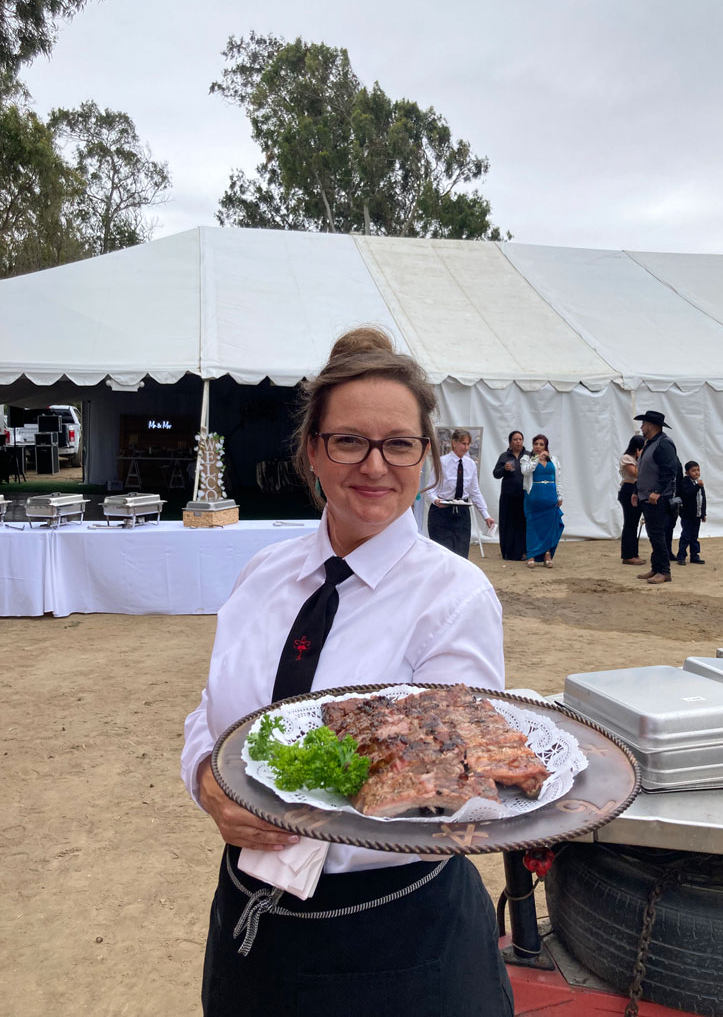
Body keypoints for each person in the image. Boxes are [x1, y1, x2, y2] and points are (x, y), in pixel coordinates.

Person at [181, 328, 513, 1017]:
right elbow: (214, 708)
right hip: (249, 922)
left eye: (399, 442)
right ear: (312, 450)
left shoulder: (453, 596)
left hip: (394, 937)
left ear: (424, 455)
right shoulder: (263, 575)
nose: (375, 464)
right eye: (348, 440)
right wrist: (207, 779)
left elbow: (460, 784)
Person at [428, 428, 495, 558]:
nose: (466, 447)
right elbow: (430, 489)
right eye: (463, 443)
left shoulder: (470, 464)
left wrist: (486, 515)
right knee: (443, 552)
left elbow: (475, 492)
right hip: (441, 511)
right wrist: (435, 500)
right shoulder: (442, 462)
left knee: (461, 552)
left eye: (468, 444)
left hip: (462, 512)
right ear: (454, 443)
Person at [632, 411, 679, 585]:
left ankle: (664, 571)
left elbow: (669, 471)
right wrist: (637, 491)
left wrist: (657, 491)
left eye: (643, 424)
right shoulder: (650, 443)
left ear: (651, 425)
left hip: (658, 498)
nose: (642, 427)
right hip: (647, 496)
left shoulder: (663, 444)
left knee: (658, 534)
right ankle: (656, 567)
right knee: (653, 534)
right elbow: (644, 471)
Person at [521, 434, 563, 569]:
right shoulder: (526, 458)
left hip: (550, 496)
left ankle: (547, 554)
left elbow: (558, 479)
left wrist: (560, 495)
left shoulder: (554, 460)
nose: (538, 447)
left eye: (541, 444)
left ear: (546, 446)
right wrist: (536, 460)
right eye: (536, 444)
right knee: (532, 526)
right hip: (534, 497)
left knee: (549, 527)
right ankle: (531, 555)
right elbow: (525, 472)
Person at [492, 430, 528, 560]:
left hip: (524, 495)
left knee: (522, 523)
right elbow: (495, 474)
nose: (518, 442)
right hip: (508, 495)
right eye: (515, 439)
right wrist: (504, 469)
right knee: (507, 523)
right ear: (510, 442)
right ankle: (507, 552)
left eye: (520, 439)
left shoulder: (528, 456)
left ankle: (523, 551)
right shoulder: (504, 456)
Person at [618, 435, 645, 565]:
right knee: (629, 523)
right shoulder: (627, 458)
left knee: (634, 523)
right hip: (628, 490)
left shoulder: (637, 459)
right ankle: (628, 555)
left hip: (638, 490)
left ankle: (634, 553)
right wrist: (640, 459)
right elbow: (637, 474)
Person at [676, 461, 707, 566]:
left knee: (694, 536)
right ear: (687, 473)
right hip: (687, 515)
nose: (696, 473)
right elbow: (687, 495)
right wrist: (697, 486)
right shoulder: (685, 482)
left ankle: (694, 555)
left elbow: (703, 499)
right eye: (693, 471)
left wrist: (703, 513)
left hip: (697, 515)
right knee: (686, 536)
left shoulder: (699, 483)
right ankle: (681, 556)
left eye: (698, 470)